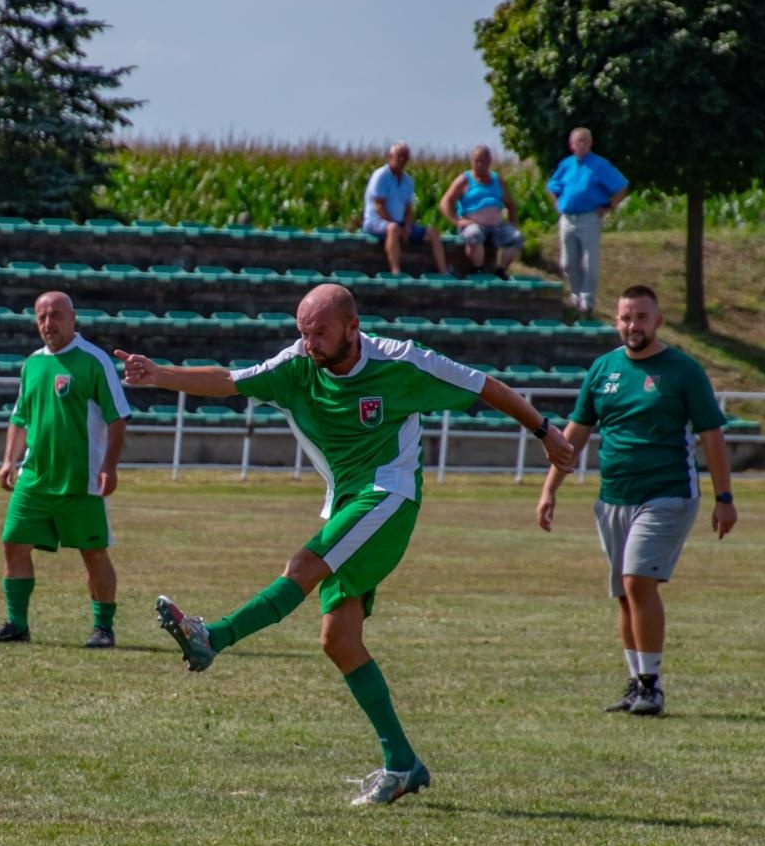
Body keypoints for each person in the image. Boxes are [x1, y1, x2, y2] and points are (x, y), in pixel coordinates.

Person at [116, 284, 574, 805]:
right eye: (303, 331)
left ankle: (213, 638)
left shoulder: (402, 363)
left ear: (353, 328)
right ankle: (403, 765)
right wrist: (158, 375)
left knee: (304, 564)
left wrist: (544, 430)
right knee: (338, 641)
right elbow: (229, 380)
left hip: (389, 494)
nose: (308, 342)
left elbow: (483, 386)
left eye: (320, 332)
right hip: (345, 501)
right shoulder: (296, 364)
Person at [536, 284, 735, 717]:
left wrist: (725, 497)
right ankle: (634, 683)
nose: (633, 325)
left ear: (658, 321)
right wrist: (550, 489)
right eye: (626, 317)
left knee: (637, 582)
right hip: (614, 498)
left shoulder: (683, 370)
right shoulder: (602, 369)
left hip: (667, 494)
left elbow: (712, 436)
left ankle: (652, 687)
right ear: (616, 321)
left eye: (641, 317)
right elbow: (574, 434)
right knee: (624, 594)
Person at [0, 291, 131, 649]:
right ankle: (16, 624)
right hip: (35, 478)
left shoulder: (94, 360)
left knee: (93, 554)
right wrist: (8, 461)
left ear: (73, 318)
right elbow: (20, 417)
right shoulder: (32, 363)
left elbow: (117, 417)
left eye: (56, 315)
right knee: (13, 544)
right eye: (42, 317)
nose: (49, 323)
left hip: (82, 479)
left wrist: (109, 466)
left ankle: (103, 629)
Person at [545, 127, 629, 314]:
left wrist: (609, 207)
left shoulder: (599, 164)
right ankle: (575, 295)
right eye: (578, 141)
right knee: (567, 262)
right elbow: (552, 186)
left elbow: (621, 186)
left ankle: (587, 301)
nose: (581, 144)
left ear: (590, 143)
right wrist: (557, 203)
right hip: (568, 218)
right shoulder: (566, 164)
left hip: (589, 217)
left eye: (585, 141)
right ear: (571, 144)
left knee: (589, 262)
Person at [362, 142, 450, 275]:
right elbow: (379, 206)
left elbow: (408, 209)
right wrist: (398, 226)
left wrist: (407, 228)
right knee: (393, 229)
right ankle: (396, 271)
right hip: (376, 222)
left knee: (433, 232)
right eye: (399, 156)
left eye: (405, 157)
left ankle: (443, 271)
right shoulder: (381, 176)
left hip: (400, 223)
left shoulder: (408, 181)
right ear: (390, 156)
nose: (402, 160)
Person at [438, 144, 524, 278]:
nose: (481, 164)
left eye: (484, 161)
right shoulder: (464, 180)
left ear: (489, 161)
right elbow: (445, 202)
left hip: (497, 226)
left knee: (516, 237)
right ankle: (478, 269)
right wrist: (457, 221)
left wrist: (513, 223)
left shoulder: (497, 180)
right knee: (474, 234)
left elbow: (510, 204)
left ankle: (501, 270)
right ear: (472, 161)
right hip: (473, 224)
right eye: (477, 161)